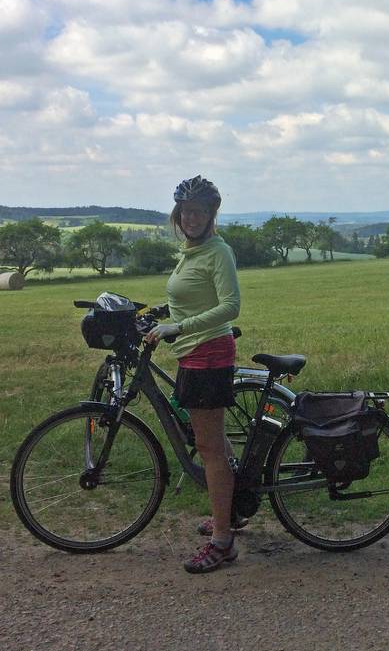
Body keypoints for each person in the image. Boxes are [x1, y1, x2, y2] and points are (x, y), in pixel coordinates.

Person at [143, 175, 242, 574]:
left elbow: (230, 306)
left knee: (210, 449)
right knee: (212, 441)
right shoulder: (191, 251)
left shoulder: (218, 251)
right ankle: (230, 512)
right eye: (186, 211)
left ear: (211, 214)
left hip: (208, 354)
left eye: (200, 211)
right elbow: (190, 298)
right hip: (193, 353)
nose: (192, 217)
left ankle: (223, 541)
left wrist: (178, 329)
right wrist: (161, 314)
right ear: (178, 214)